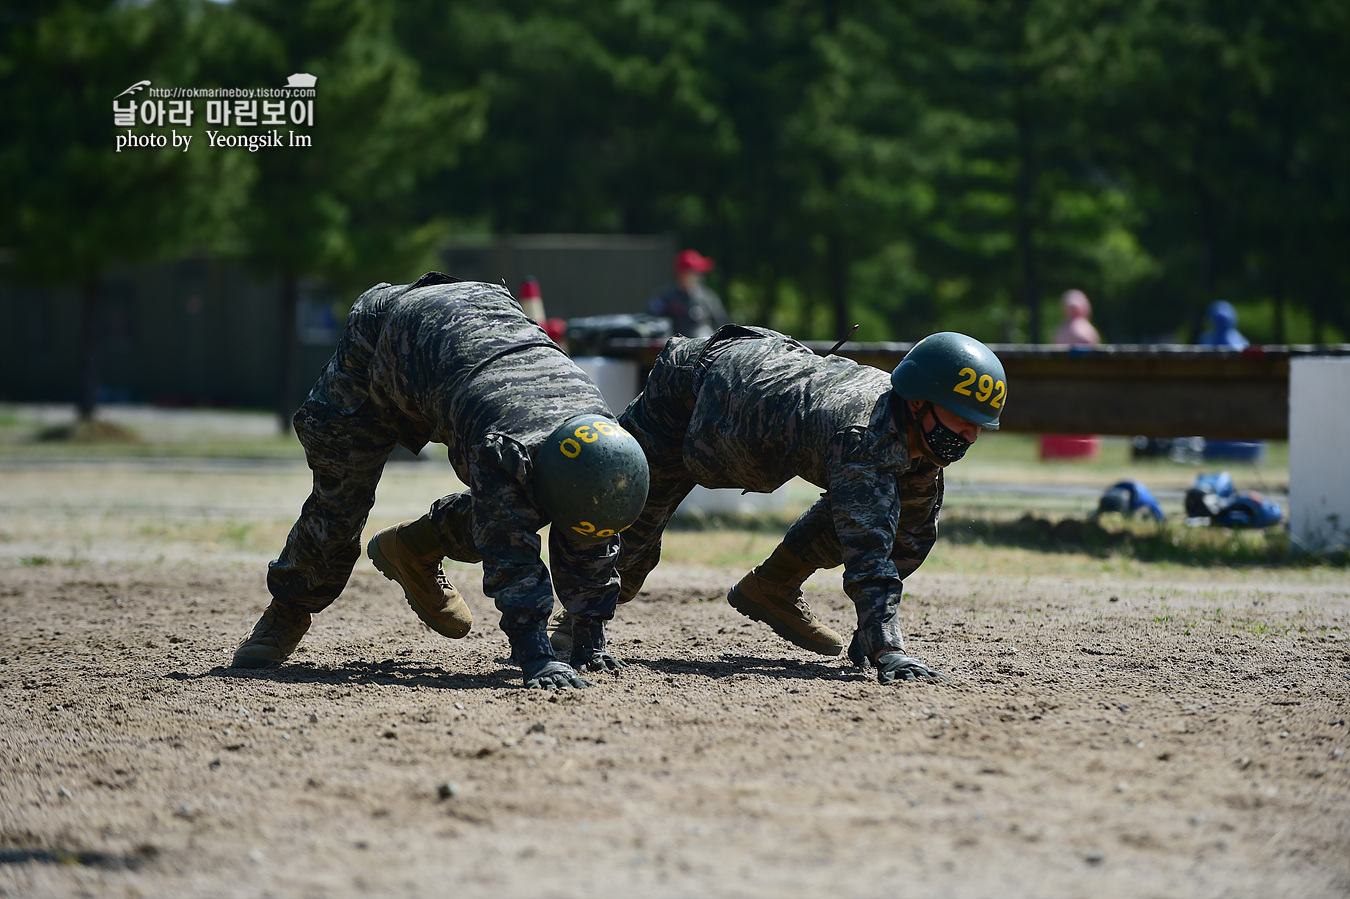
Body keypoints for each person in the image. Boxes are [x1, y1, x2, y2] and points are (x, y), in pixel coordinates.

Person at [231, 272, 650, 690]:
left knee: (520, 502)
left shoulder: (602, 439)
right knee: (340, 499)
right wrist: (536, 655)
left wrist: (589, 639)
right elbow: (508, 550)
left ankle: (413, 548)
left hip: (469, 342)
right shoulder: (504, 447)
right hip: (382, 338)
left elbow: (593, 533)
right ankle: (287, 610)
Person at [553, 325, 1008, 684]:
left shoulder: (917, 443)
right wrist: (887, 646)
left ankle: (770, 586)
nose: (969, 435)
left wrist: (870, 633)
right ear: (919, 403)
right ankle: (575, 621)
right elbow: (867, 549)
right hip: (693, 389)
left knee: (904, 517)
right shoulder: (864, 438)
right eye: (961, 419)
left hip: (751, 403)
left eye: (978, 426)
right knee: (629, 520)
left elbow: (904, 539)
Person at [647, 249, 730, 338]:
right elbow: (649, 322)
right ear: (682, 274)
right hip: (672, 347)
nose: (699, 276)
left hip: (702, 345)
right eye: (694, 273)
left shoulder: (706, 297)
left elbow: (721, 322)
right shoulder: (665, 296)